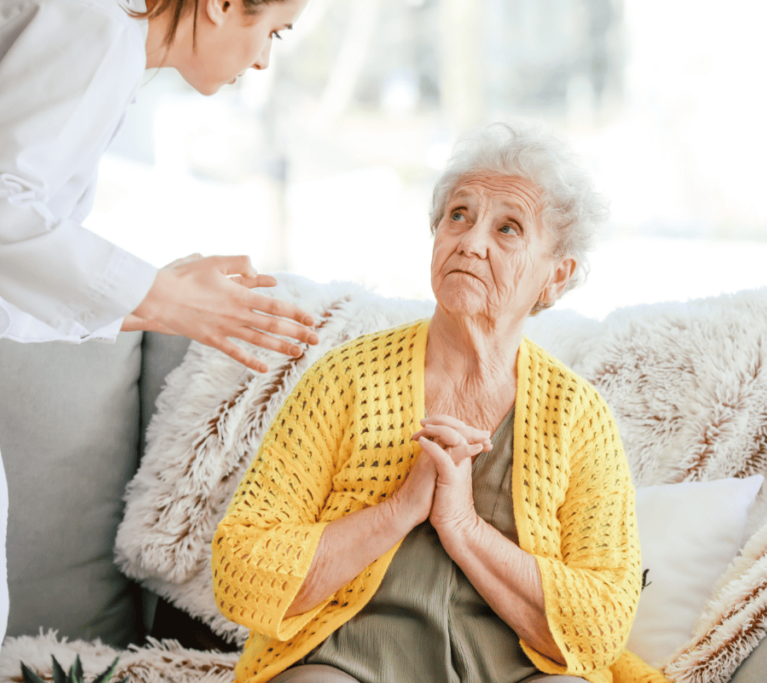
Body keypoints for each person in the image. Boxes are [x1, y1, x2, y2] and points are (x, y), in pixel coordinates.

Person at [212, 123, 664, 683]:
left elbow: (600, 624)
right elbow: (241, 568)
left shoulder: (578, 416)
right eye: (459, 215)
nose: (470, 242)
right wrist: (401, 508)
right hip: (348, 663)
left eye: (508, 228)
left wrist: (463, 527)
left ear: (556, 276)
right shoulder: (346, 379)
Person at [0, 0, 319, 667]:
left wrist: (153, 299)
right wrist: (162, 297)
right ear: (224, 5)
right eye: (272, 32)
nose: (262, 59)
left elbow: (11, 275)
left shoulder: (110, 51)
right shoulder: (95, 25)